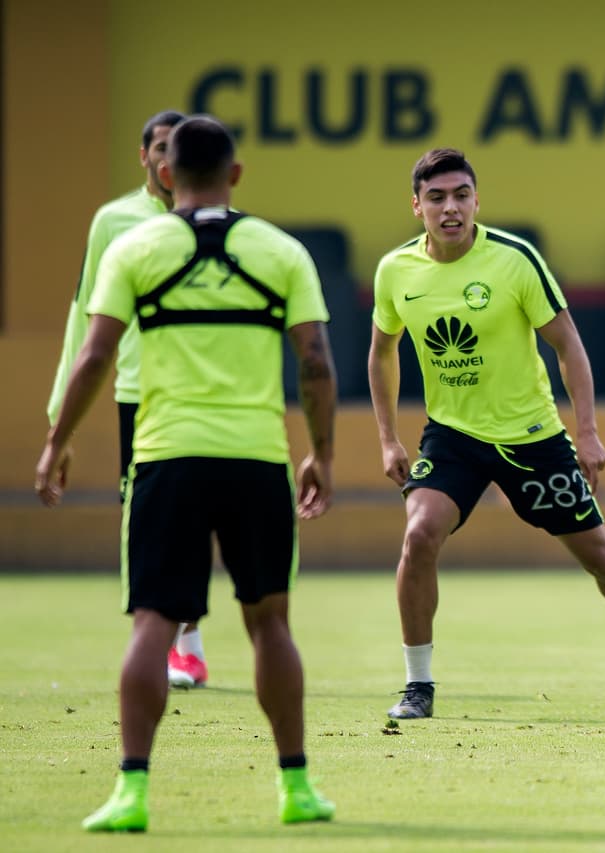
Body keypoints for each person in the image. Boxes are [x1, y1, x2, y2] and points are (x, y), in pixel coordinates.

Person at [35, 115, 338, 830]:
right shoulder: (281, 250)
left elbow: (94, 356)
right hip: (257, 459)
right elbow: (317, 363)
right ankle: (296, 787)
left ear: (166, 174)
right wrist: (322, 454)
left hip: (165, 458)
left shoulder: (135, 246)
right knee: (271, 623)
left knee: (151, 625)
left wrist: (57, 442)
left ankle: (132, 791)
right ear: (235, 175)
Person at [369, 147, 605, 720]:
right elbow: (381, 354)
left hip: (533, 439)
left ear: (476, 200)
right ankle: (418, 685)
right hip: (452, 438)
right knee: (419, 534)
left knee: (599, 556)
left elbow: (568, 345)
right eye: (437, 197)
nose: (451, 208)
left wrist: (587, 433)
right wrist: (388, 438)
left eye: (461, 195)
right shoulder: (396, 270)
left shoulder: (515, 260)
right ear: (416, 204)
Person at [46, 109, 211, 689]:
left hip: (202, 394)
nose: (170, 160)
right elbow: (83, 319)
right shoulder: (114, 222)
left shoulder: (214, 222)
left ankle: (185, 644)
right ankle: (171, 643)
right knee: (147, 521)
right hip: (138, 395)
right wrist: (57, 421)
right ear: (145, 156)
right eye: (161, 148)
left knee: (194, 518)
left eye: (179, 149)